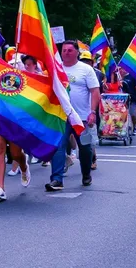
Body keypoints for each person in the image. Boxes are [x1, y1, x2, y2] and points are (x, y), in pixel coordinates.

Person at [46, 40, 100, 191]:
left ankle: (86, 174)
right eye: (64, 50)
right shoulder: (55, 68)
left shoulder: (86, 70)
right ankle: (56, 179)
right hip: (60, 117)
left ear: (77, 52)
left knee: (85, 148)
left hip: (82, 117)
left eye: (70, 50)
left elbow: (95, 91)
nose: (66, 53)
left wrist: (92, 112)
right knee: (58, 146)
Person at [120, 67, 136, 137]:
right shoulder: (118, 78)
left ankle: (135, 127)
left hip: (132, 99)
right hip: (121, 100)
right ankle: (123, 129)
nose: (121, 70)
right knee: (122, 115)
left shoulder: (131, 77)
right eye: (120, 69)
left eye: (122, 68)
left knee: (133, 114)